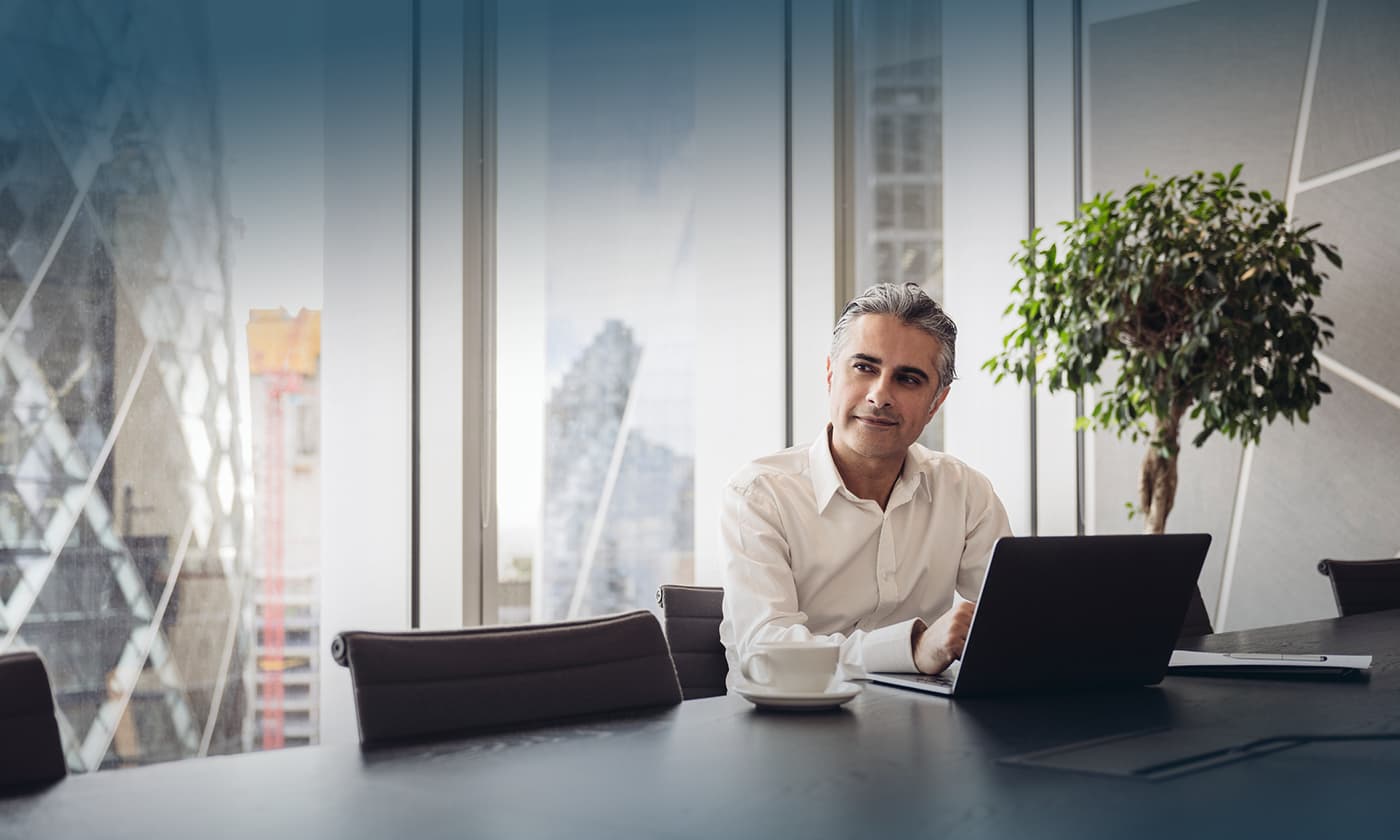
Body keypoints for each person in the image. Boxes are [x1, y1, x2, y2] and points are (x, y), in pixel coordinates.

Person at [719, 282, 1012, 685]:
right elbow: (767, 652)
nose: (880, 395)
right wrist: (913, 649)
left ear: (936, 403)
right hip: (785, 728)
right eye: (864, 368)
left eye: (908, 379)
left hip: (923, 729)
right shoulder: (759, 494)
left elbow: (1019, 623)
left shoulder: (965, 492)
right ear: (829, 374)